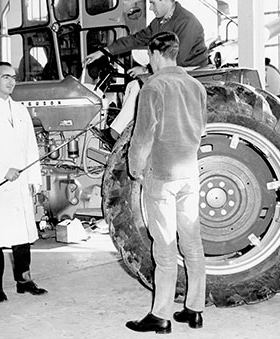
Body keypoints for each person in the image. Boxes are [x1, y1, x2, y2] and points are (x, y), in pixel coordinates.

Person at [125, 31, 206, 334]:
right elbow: (202, 128)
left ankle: (160, 316)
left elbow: (143, 136)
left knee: (166, 246)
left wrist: (135, 168)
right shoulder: (197, 86)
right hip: (190, 173)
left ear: (155, 54)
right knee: (193, 243)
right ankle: (195, 310)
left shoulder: (154, 86)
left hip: (162, 175)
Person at [0, 61, 48, 303]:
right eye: (5, 77)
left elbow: (30, 147)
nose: (11, 81)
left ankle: (24, 281)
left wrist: (35, 180)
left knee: (22, 235)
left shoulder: (21, 110)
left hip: (21, 183)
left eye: (13, 77)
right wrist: (4, 171)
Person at [84, 0, 208, 147]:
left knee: (138, 87)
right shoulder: (158, 23)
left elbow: (175, 59)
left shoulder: (187, 22)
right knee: (131, 85)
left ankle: (114, 135)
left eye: (153, 3)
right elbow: (136, 39)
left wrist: (145, 70)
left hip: (190, 72)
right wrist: (103, 52)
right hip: (171, 69)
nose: (150, 7)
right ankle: (124, 134)